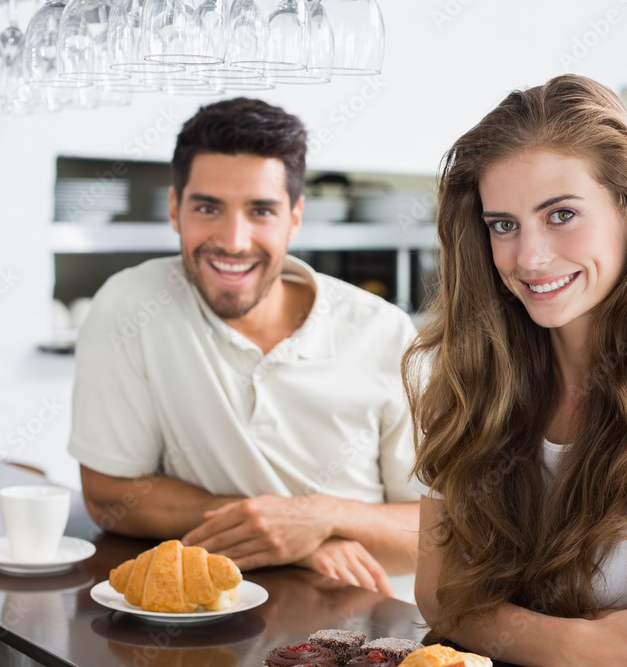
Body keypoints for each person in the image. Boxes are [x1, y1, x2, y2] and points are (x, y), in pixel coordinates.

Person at [403, 74, 627, 665]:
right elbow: (440, 599)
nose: (529, 258)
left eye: (561, 215)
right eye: (504, 224)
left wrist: (499, 620)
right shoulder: (471, 368)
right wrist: (587, 641)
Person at [68, 98, 419, 596]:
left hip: (364, 629)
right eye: (208, 207)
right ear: (174, 209)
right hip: (210, 618)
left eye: (261, 211)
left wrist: (319, 518)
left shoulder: (385, 332)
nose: (233, 241)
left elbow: (439, 534)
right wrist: (287, 538)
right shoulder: (132, 306)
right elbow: (109, 496)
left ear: (295, 217)